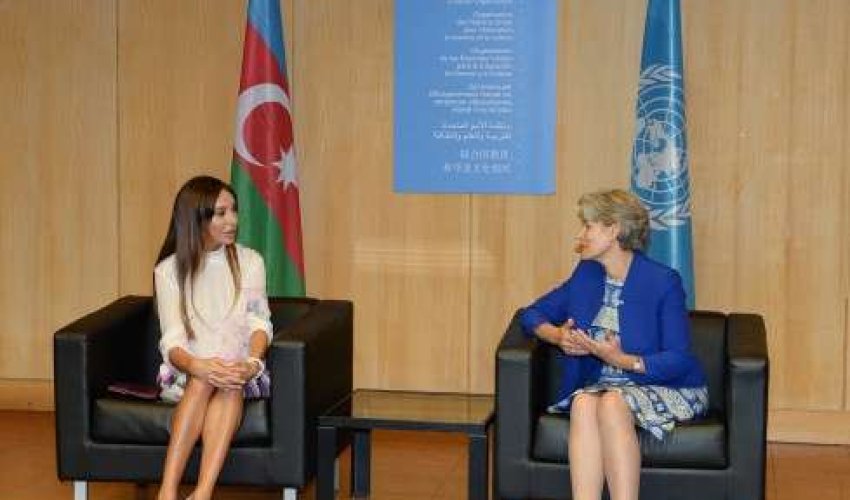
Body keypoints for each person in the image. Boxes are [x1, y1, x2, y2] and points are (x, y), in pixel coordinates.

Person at [519, 189, 708, 500]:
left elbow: (679, 358)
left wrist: (623, 360)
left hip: (664, 382)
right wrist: (557, 337)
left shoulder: (662, 281)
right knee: (583, 402)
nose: (581, 234)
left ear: (614, 230)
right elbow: (531, 314)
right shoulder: (586, 275)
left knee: (612, 403)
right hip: (606, 385)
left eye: (588, 226)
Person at [153, 175, 273, 500]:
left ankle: (203, 492)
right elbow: (173, 342)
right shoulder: (169, 270)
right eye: (221, 213)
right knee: (203, 378)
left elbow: (259, 322)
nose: (232, 220)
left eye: (233, 210)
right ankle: (168, 492)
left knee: (228, 378)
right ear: (197, 217)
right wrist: (198, 365)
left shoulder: (250, 262)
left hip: (241, 371)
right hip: (187, 373)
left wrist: (251, 363)